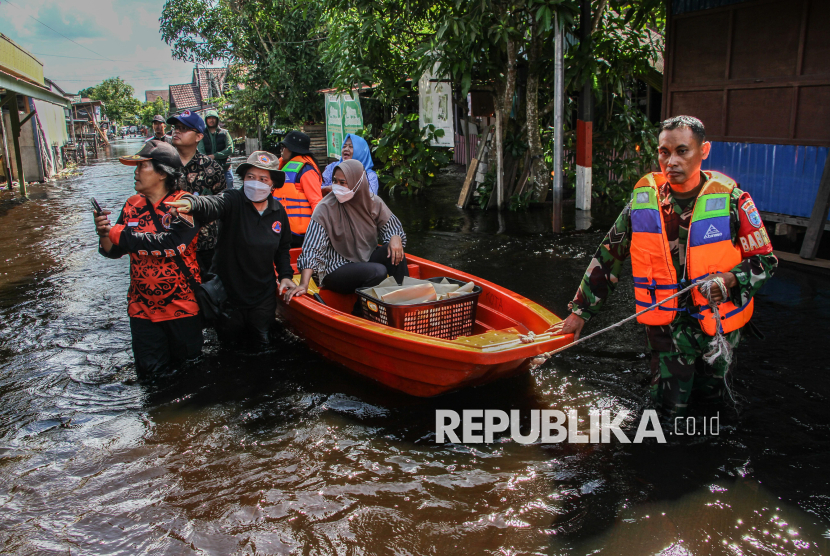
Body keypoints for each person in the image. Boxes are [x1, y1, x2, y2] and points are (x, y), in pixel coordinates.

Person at [553, 115, 778, 419]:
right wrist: (581, 312)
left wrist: (730, 280)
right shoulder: (642, 203)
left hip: (717, 329)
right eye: (663, 152)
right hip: (666, 331)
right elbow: (609, 255)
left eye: (682, 151)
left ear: (704, 150)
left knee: (713, 409)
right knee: (669, 413)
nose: (670, 161)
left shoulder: (734, 202)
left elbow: (765, 259)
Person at [94, 140, 204, 378]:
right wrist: (104, 233)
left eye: (142, 166)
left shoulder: (184, 203)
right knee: (151, 380)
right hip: (141, 309)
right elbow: (114, 250)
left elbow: (171, 245)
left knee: (190, 377)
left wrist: (116, 232)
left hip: (182, 308)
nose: (135, 172)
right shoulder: (132, 205)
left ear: (162, 173)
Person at [167, 151, 295, 348]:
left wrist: (286, 274)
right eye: (250, 177)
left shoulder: (278, 212)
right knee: (229, 349)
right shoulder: (233, 200)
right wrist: (192, 203)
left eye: (263, 178)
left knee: (263, 347)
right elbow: (213, 203)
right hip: (229, 295)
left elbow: (283, 248)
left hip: (262, 295)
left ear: (272, 184)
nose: (255, 182)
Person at [285, 159, 407, 308]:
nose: (338, 187)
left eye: (343, 183)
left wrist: (395, 238)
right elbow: (312, 248)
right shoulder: (325, 208)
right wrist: (304, 284)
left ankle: (404, 302)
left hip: (364, 257)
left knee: (396, 253)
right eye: (335, 182)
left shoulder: (373, 202)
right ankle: (360, 313)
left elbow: (393, 228)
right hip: (334, 269)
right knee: (377, 271)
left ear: (358, 183)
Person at [167, 110, 227, 275]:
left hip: (204, 244)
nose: (177, 131)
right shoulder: (163, 166)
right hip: (170, 241)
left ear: (199, 137)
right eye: (176, 128)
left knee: (207, 293)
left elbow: (224, 205)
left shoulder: (212, 168)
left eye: (184, 128)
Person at [276, 130, 323, 247]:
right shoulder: (283, 166)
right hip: (282, 230)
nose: (281, 151)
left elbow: (316, 201)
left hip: (299, 235)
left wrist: (320, 232)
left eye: (284, 147)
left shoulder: (307, 170)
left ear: (292, 149)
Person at [198, 109, 235, 187]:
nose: (211, 120)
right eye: (209, 118)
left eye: (213, 118)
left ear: (217, 120)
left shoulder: (224, 133)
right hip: (209, 169)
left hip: (225, 167)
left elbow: (230, 149)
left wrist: (215, 155)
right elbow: (201, 152)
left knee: (230, 187)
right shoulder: (202, 134)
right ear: (206, 120)